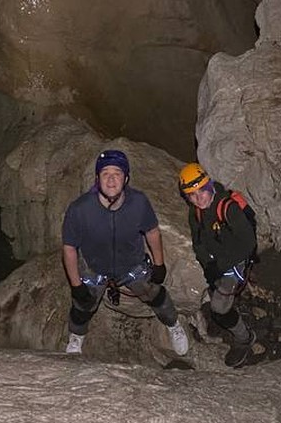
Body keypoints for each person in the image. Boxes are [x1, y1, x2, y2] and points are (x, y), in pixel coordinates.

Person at [62, 149, 190, 358]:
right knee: (82, 305)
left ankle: (173, 324)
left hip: (131, 265)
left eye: (117, 174)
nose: (111, 179)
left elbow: (152, 232)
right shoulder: (80, 209)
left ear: (126, 179)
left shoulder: (138, 202)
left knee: (155, 294)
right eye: (105, 174)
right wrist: (76, 285)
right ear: (97, 179)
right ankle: (76, 336)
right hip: (95, 267)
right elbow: (69, 248)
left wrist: (159, 264)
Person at [178, 162, 257, 367]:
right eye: (192, 196)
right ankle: (224, 309)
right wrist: (208, 265)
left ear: (209, 186)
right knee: (216, 289)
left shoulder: (228, 209)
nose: (199, 199)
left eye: (201, 191)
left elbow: (248, 244)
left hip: (236, 260)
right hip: (217, 259)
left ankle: (245, 338)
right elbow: (198, 242)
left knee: (220, 308)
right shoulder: (195, 212)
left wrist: (219, 267)